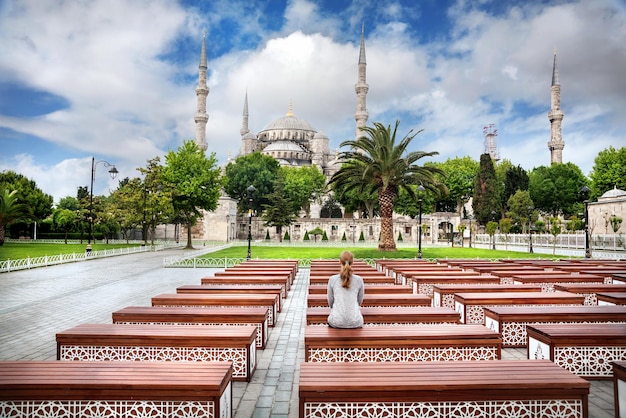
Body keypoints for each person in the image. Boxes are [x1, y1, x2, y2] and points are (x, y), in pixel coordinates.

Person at [327, 250, 364, 328]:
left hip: (336, 321)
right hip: (355, 321)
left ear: (339, 262)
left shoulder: (333, 279)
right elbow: (359, 301)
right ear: (352, 262)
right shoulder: (359, 280)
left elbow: (330, 301)